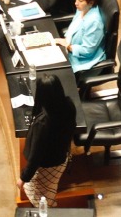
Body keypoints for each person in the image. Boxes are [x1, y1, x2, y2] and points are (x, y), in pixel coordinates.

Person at [17, 74, 77, 207]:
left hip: (46, 166)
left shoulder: (43, 123)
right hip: (61, 159)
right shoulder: (68, 106)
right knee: (48, 193)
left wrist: (23, 178)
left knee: (42, 200)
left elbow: (35, 157)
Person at [55, 0, 106, 72]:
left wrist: (68, 46)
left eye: (80, 1)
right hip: (69, 47)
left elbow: (87, 51)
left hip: (81, 60)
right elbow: (73, 29)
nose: (76, 3)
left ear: (91, 3)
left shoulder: (94, 23)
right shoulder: (82, 9)